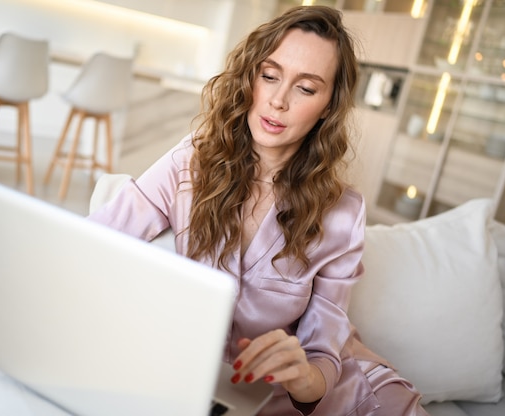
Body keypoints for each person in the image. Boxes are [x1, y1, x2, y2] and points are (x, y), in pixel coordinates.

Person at [88, 5, 428, 416]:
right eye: (269, 76)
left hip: (337, 400)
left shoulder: (342, 211)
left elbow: (324, 353)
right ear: (250, 77)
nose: (279, 101)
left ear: (327, 106)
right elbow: (93, 244)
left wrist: (303, 376)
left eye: (306, 88)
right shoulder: (189, 163)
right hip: (207, 390)